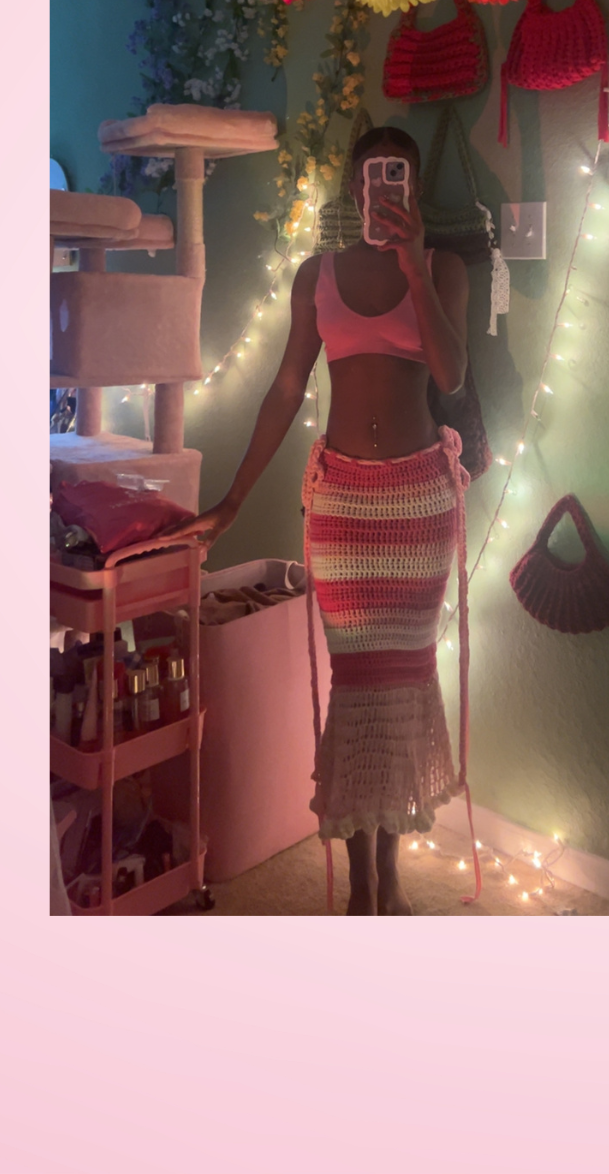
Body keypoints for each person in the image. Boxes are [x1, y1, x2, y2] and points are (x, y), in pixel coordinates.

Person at [176, 127, 472, 914]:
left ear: (412, 188)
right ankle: (362, 882)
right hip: (340, 504)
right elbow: (284, 389)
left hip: (417, 502)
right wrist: (233, 499)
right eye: (374, 176)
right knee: (356, 690)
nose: (385, 188)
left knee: (402, 689)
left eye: (399, 175)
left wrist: (414, 267)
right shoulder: (316, 275)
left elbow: (450, 374)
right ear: (354, 187)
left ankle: (390, 878)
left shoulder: (443, 267)